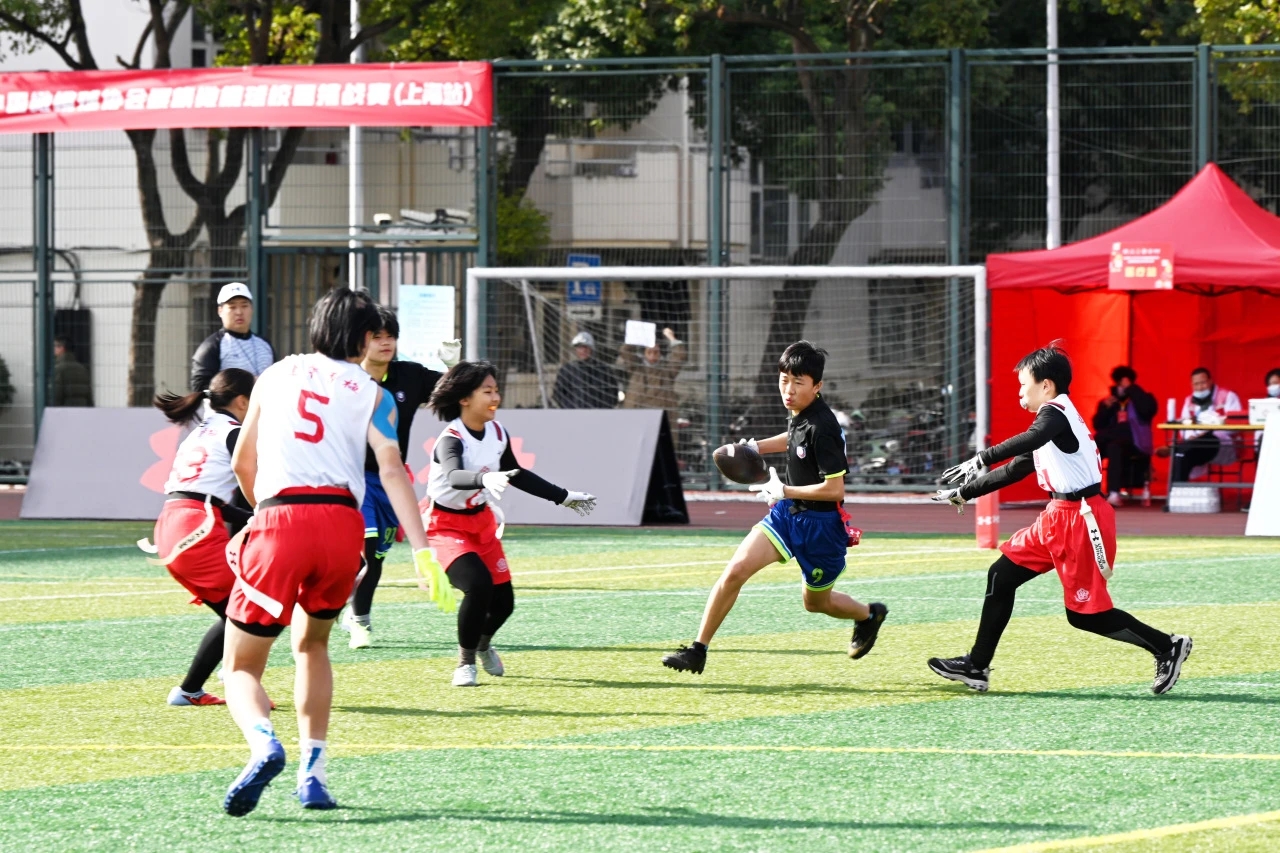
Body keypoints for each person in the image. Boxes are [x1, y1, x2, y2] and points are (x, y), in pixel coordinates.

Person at [220, 288, 452, 817]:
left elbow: (242, 463)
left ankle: (263, 744)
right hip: (344, 526)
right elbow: (392, 469)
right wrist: (423, 551)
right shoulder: (374, 393)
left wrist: (261, 515)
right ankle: (314, 775)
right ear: (365, 337)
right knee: (313, 647)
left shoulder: (275, 374)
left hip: (283, 519)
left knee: (241, 667)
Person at [928, 341, 1191, 695]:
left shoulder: (1054, 414)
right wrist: (964, 492)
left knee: (1084, 615)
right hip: (1058, 516)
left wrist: (981, 457)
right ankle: (977, 665)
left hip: (1082, 518)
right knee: (1001, 575)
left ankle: (1166, 646)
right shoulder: (1052, 423)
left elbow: (1031, 439)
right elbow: (1014, 469)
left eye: (1024, 384)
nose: (1020, 392)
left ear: (1046, 385)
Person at [662, 341, 887, 676]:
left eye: (798, 382)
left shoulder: (824, 427)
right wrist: (756, 447)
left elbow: (835, 490)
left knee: (816, 603)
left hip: (821, 527)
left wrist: (784, 489)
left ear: (817, 386)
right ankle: (698, 650)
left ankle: (869, 615)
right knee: (736, 570)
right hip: (787, 515)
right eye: (784, 380)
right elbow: (794, 437)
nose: (789, 390)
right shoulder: (800, 411)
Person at [423, 360, 597, 687]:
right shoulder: (452, 438)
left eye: (496, 390)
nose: (495, 397)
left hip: (481, 523)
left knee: (504, 604)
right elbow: (454, 475)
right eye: (487, 391)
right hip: (445, 525)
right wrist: (483, 479)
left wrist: (564, 497)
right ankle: (465, 663)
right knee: (478, 586)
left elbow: (517, 474)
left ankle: (483, 644)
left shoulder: (497, 432)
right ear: (464, 399)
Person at [342, 305, 460, 650]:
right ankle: (359, 619)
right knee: (367, 549)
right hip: (351, 478)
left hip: (391, 479)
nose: (385, 343)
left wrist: (453, 367)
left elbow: (456, 396)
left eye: (390, 336)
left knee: (376, 558)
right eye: (376, 336)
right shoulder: (345, 379)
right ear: (361, 341)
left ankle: (352, 608)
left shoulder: (410, 375)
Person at [145, 369, 256, 707]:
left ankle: (197, 687)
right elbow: (257, 480)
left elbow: (205, 496)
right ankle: (228, 683)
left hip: (173, 522)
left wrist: (251, 518)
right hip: (197, 526)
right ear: (242, 401)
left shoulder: (199, 432)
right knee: (249, 609)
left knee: (239, 611)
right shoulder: (235, 433)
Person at [190, 282, 275, 393]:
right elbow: (199, 387)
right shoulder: (212, 346)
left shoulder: (265, 345)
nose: (239, 312)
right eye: (232, 307)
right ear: (220, 311)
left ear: (252, 309)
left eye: (244, 306)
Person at [1091, 366, 1156, 506]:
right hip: (1110, 443)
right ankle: (1089, 492)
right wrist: (1105, 409)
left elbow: (1147, 410)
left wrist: (1132, 389)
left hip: (1135, 444)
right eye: (1120, 383)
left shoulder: (1142, 399)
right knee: (1094, 447)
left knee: (1112, 443)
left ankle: (1114, 493)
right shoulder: (1110, 402)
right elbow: (1097, 425)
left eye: (1125, 383)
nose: (1122, 387)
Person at [1174, 367, 1242, 482]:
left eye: (1203, 383)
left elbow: (1235, 425)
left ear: (1210, 381)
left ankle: (1176, 449)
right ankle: (1178, 490)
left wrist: (1207, 433)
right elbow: (1184, 426)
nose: (1200, 387)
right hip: (1196, 444)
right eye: (1196, 384)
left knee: (1184, 450)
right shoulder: (1189, 401)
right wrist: (1191, 436)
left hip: (1221, 443)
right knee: (1181, 456)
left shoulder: (1228, 396)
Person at [617, 326, 687, 426]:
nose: (652, 356)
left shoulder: (667, 370)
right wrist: (636, 336)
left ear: (660, 353)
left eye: (656, 352)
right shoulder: (636, 367)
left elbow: (679, 356)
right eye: (649, 352)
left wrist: (672, 338)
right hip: (637, 416)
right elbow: (625, 351)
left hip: (661, 418)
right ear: (644, 353)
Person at [551, 330, 618, 409]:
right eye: (580, 347)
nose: (583, 350)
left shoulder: (604, 370)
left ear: (591, 349)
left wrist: (600, 409)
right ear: (576, 349)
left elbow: (613, 395)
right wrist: (571, 408)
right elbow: (558, 394)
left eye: (586, 347)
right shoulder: (567, 370)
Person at [51, 336, 92, 406]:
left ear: (62, 348)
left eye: (54, 346)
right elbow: (88, 395)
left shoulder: (58, 369)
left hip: (65, 410)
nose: (53, 349)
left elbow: (57, 395)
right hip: (81, 409)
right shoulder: (82, 369)